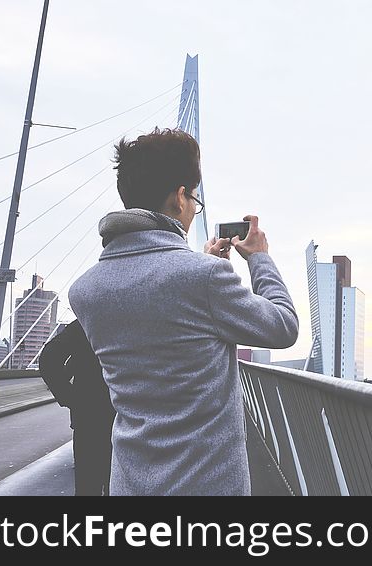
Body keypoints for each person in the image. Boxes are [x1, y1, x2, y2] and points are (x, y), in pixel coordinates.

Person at [68, 127, 298, 496]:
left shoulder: (86, 290)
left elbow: (157, 310)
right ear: (179, 198)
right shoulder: (203, 279)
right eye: (194, 199)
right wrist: (260, 260)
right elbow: (283, 327)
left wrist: (201, 269)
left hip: (130, 485)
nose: (193, 209)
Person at [38, 319, 115, 496]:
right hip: (127, 420)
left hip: (88, 421)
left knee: (88, 487)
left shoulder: (89, 319)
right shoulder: (144, 315)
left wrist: (72, 399)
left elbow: (49, 358)